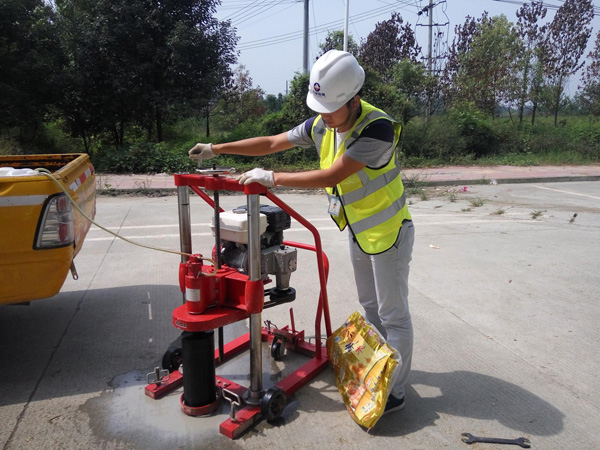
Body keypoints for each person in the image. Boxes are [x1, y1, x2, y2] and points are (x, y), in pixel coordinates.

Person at [189, 49, 414, 415]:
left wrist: (272, 178)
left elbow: (331, 175)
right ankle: (381, 371)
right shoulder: (326, 122)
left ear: (354, 100)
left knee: (394, 316)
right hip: (359, 231)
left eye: (330, 109)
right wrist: (216, 148)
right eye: (320, 108)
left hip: (390, 233)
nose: (322, 116)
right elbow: (274, 142)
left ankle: (396, 393)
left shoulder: (377, 128)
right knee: (371, 309)